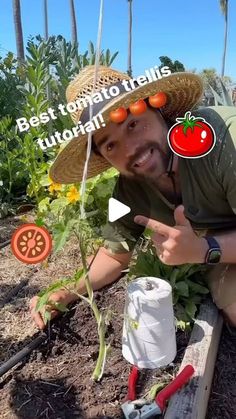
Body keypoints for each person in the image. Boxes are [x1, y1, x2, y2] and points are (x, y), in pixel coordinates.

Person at [30, 65, 236, 330]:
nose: (131, 150)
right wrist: (67, 291)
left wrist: (203, 249)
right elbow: (115, 254)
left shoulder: (222, 140)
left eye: (133, 124)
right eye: (110, 144)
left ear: (158, 109)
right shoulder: (129, 191)